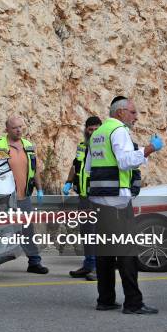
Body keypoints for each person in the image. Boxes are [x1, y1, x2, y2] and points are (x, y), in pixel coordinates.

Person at [86, 96, 163, 314]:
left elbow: (90, 168)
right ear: (120, 112)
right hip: (118, 203)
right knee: (127, 252)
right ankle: (133, 303)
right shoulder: (118, 130)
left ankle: (106, 299)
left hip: (100, 202)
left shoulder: (98, 134)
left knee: (104, 254)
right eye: (132, 112)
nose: (135, 116)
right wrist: (149, 149)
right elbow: (124, 161)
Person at [0, 116, 49, 274]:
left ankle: (34, 262)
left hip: (23, 197)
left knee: (27, 230)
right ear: (7, 130)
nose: (18, 130)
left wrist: (39, 189)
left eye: (20, 127)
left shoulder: (28, 146)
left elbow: (35, 169)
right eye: (14, 128)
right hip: (3, 199)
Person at [63, 116, 102, 281]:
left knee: (97, 234)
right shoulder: (82, 146)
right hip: (83, 197)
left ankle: (98, 269)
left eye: (95, 129)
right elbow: (75, 166)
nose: (92, 132)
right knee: (86, 233)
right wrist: (68, 182)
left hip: (98, 198)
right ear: (86, 129)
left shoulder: (103, 148)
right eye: (90, 129)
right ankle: (88, 265)